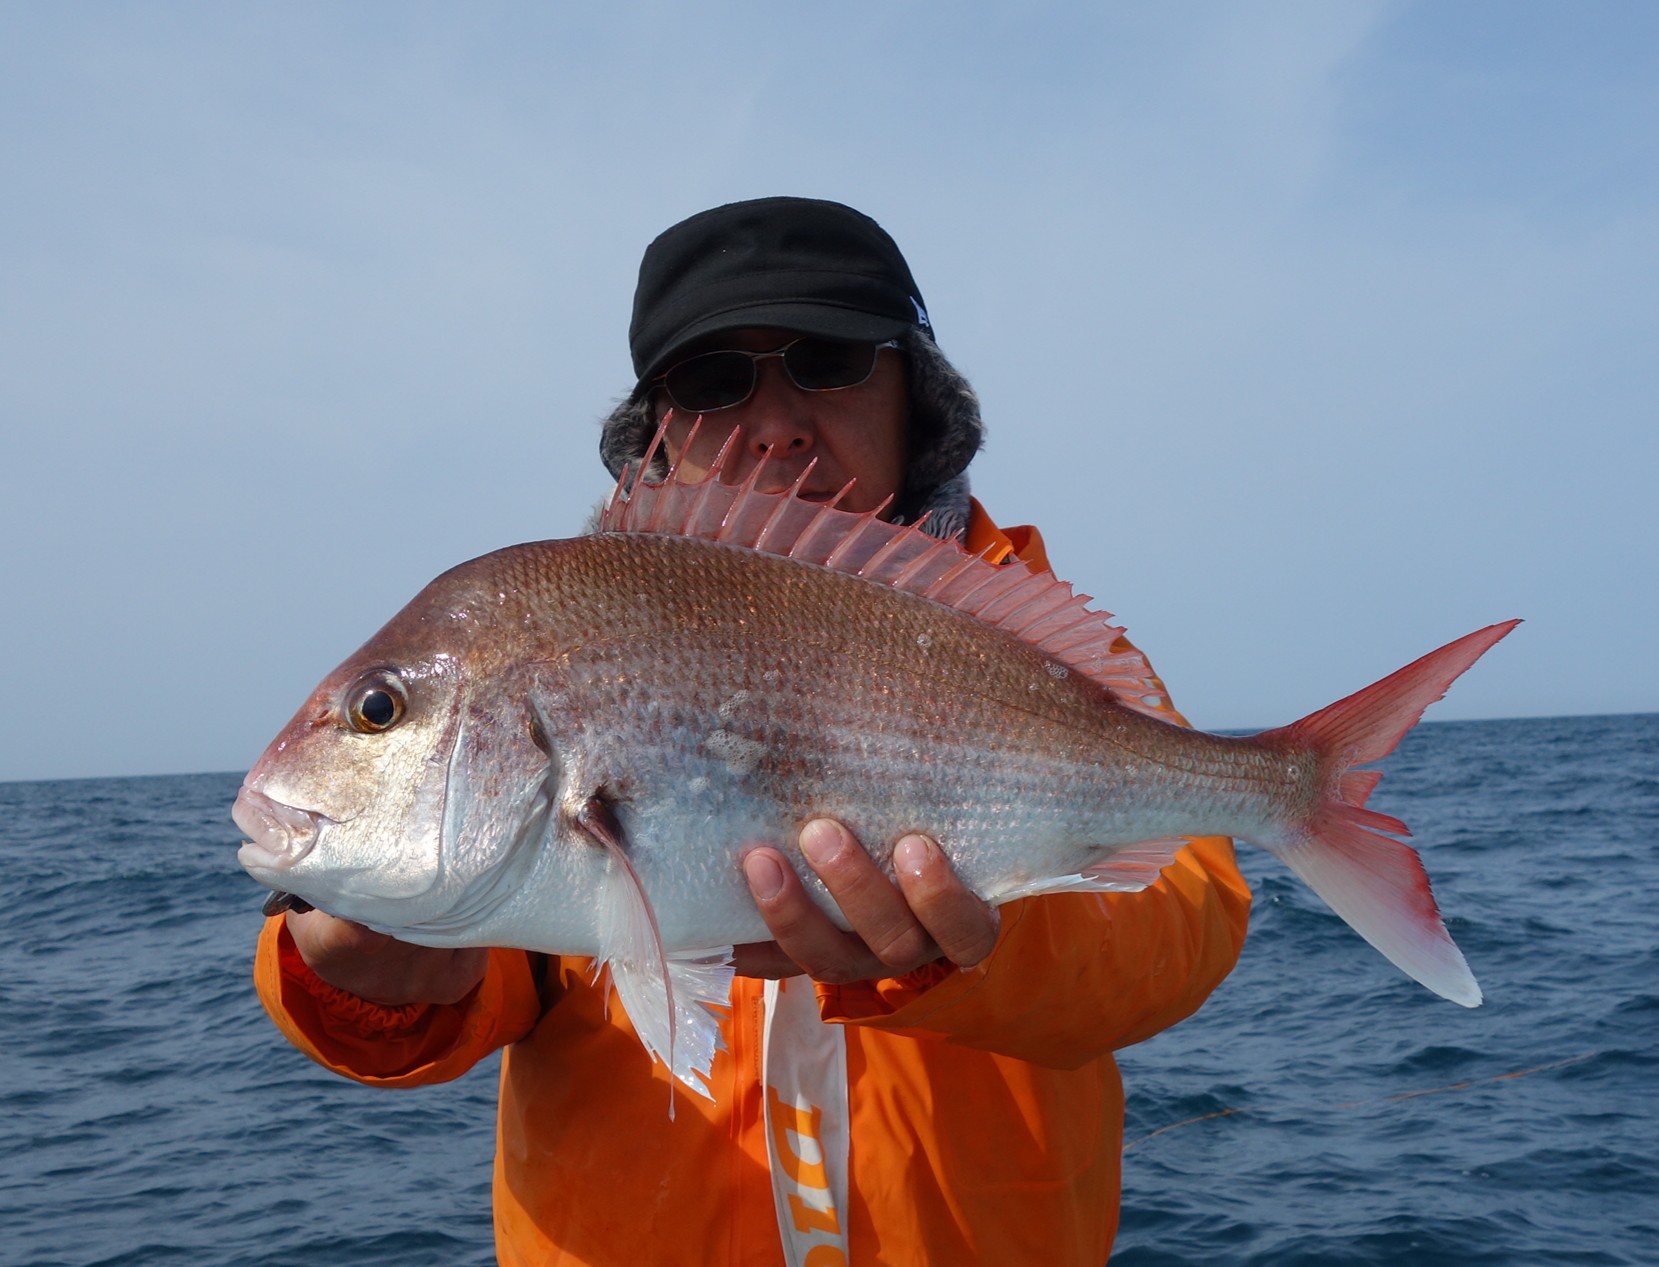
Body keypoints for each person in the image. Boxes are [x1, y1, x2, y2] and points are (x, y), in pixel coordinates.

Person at [254, 196, 1253, 1266]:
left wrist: (965, 941)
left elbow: (1179, 922)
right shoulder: (562, 638)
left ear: (915, 395)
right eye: (713, 380)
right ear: (659, 431)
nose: (774, 422)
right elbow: (495, 973)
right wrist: (367, 972)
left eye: (825, 361)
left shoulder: (1034, 649)